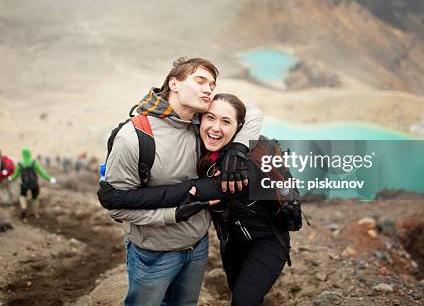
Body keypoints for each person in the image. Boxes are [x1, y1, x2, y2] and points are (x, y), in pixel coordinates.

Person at [100, 94, 290, 306]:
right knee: (241, 291)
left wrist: (118, 197)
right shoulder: (207, 150)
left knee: (244, 301)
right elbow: (253, 112)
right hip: (232, 241)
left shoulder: (241, 169)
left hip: (267, 241)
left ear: (239, 127)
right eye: (210, 118)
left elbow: (189, 190)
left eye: (226, 122)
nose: (216, 127)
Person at [9, 148, 57, 219]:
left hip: (24, 184)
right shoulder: (34, 163)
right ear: (29, 154)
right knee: (35, 198)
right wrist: (49, 178)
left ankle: (24, 207)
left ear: (23, 154)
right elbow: (42, 173)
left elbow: (15, 175)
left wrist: (10, 178)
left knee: (22, 196)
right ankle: (36, 213)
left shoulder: (20, 164)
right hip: (34, 184)